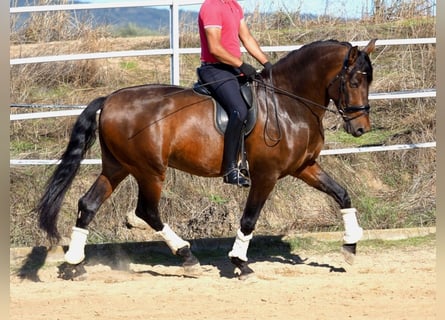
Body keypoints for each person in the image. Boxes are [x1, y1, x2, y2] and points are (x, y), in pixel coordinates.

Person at [198, 0, 273, 187]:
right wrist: (241, 65)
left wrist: (268, 64)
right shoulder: (212, 6)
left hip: (232, 68)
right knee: (239, 110)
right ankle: (230, 169)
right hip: (215, 69)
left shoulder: (234, 6)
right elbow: (215, 48)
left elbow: (246, 38)